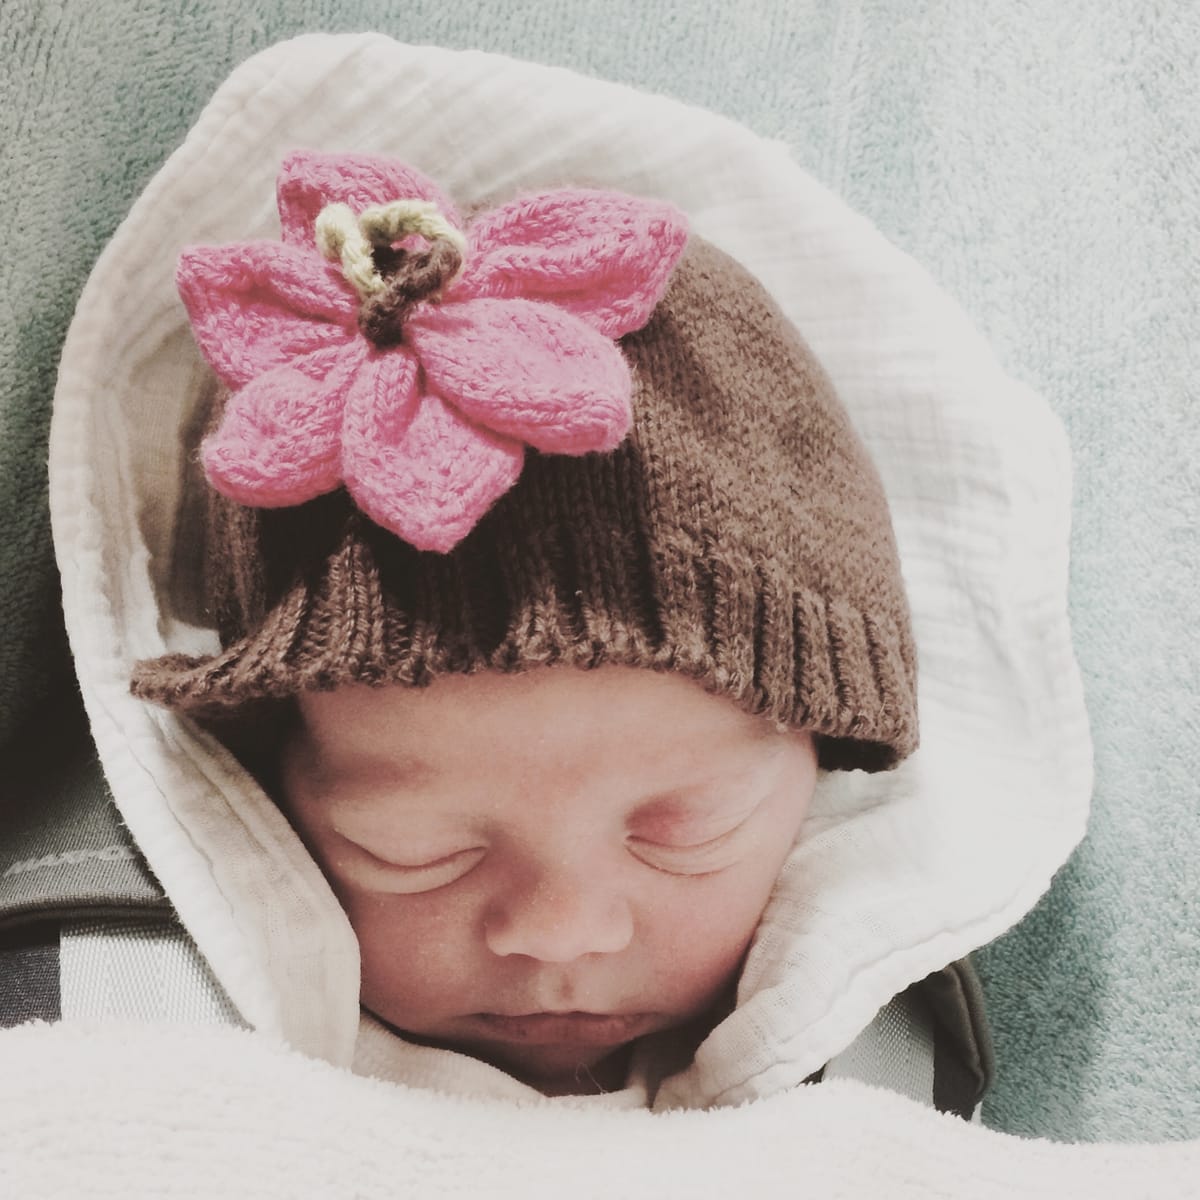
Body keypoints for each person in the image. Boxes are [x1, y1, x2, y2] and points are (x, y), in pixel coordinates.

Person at [127, 147, 988, 1110]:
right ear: (263, 786)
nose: (562, 931)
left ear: (825, 751)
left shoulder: (877, 1069)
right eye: (414, 851)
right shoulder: (130, 1028)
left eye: (687, 831)